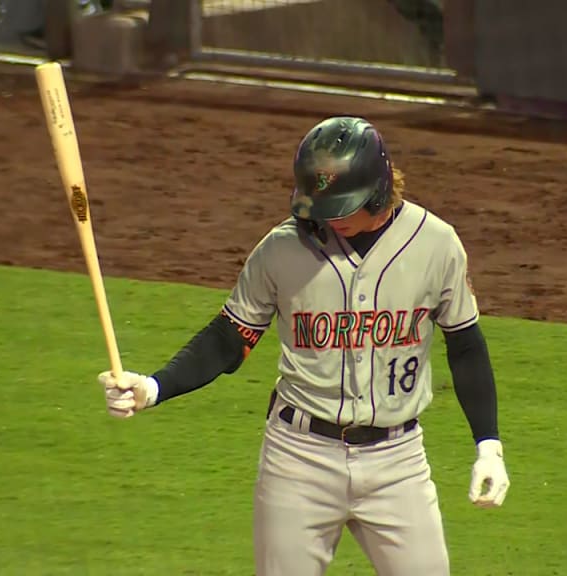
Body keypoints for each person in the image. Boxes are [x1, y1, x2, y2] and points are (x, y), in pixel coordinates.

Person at [99, 116, 510, 575]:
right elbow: (230, 338)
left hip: (398, 462)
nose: (325, 218)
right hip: (299, 460)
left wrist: (488, 445)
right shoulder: (281, 250)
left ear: (377, 192)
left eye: (339, 206)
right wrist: (154, 387)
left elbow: (466, 345)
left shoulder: (437, 245)